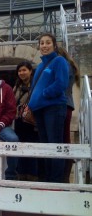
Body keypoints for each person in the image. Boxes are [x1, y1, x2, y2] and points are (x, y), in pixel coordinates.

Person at [28, 33, 69, 183]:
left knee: (54, 144)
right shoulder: (39, 66)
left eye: (48, 42)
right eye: (42, 43)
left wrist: (44, 94)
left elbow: (61, 83)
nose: (44, 45)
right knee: (45, 145)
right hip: (40, 110)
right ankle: (47, 178)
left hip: (54, 107)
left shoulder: (59, 61)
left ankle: (56, 180)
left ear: (54, 45)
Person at [57, 46, 80, 183]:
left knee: (63, 140)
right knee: (64, 138)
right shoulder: (68, 64)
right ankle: (64, 175)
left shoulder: (62, 65)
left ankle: (63, 176)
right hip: (66, 104)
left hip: (62, 105)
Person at [13, 61, 39, 181]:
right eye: (19, 71)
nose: (22, 73)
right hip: (19, 122)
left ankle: (32, 175)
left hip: (31, 122)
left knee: (32, 148)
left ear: (30, 71)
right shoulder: (17, 86)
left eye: (24, 70)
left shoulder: (36, 85)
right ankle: (21, 174)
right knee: (20, 148)